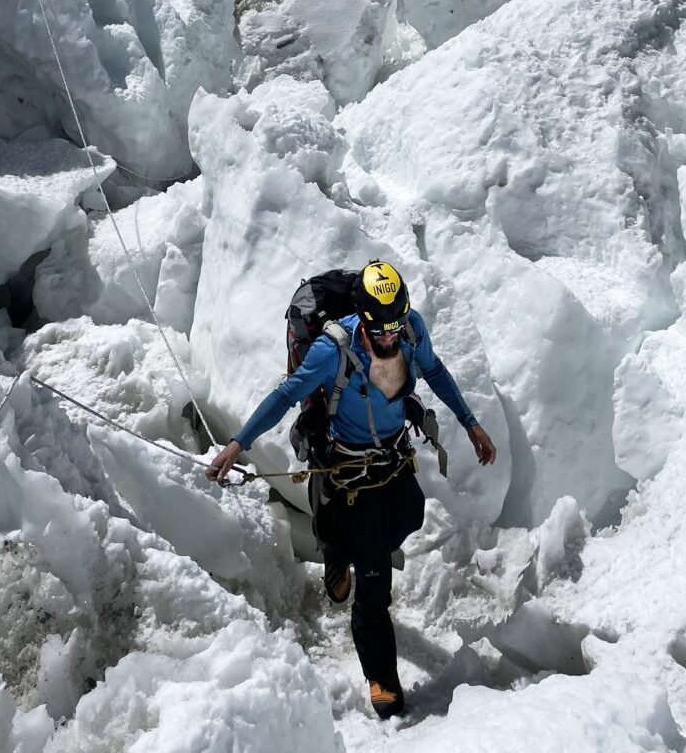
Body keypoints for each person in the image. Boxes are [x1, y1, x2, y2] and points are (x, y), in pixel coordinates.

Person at [206, 260, 496, 718]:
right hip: (351, 472)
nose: (388, 337)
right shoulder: (333, 350)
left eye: (394, 326)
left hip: (394, 458)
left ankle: (337, 550)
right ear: (362, 317)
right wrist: (238, 443)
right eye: (379, 328)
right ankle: (381, 677)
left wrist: (472, 423)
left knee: (410, 516)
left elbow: (434, 371)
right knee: (375, 577)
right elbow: (286, 395)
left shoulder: (410, 331)